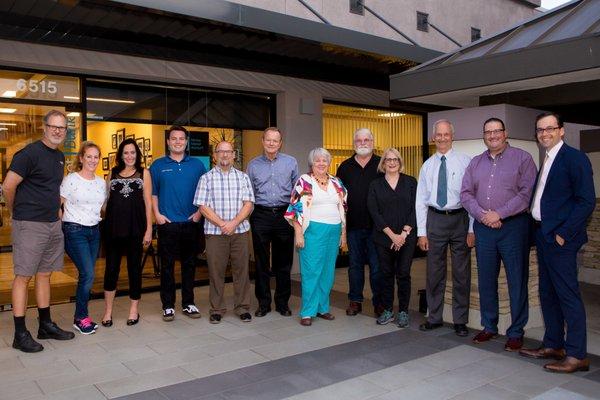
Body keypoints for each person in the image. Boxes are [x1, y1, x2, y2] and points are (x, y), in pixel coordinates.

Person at [519, 113, 595, 373]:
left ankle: (577, 354)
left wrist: (564, 233)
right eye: (540, 130)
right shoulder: (548, 159)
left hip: (561, 239)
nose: (545, 133)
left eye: (550, 128)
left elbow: (586, 201)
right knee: (547, 293)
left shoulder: (574, 158)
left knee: (567, 295)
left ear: (561, 131)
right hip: (543, 235)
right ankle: (553, 345)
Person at [461, 117, 537, 351]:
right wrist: (484, 215)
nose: (492, 135)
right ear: (484, 135)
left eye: (497, 131)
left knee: (517, 280)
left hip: (514, 227)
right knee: (486, 280)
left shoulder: (523, 159)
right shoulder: (475, 162)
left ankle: (516, 331)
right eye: (488, 132)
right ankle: (489, 326)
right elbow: (465, 194)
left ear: (505, 133)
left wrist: (499, 214)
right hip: (484, 229)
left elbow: (527, 194)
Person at [3, 109, 75, 352]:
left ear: (65, 132)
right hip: (29, 224)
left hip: (52, 224)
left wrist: (56, 209)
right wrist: (16, 211)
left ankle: (45, 325)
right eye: (53, 126)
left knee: (45, 274)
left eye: (62, 127)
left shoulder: (60, 156)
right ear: (44, 128)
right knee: (23, 276)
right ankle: (20, 333)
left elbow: (50, 188)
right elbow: (8, 186)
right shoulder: (29, 154)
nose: (57, 130)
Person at [416, 120, 474, 337]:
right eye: (438, 135)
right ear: (433, 138)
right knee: (434, 273)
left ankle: (460, 320)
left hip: (460, 219)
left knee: (461, 273)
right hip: (435, 220)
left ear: (452, 136)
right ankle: (434, 317)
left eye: (446, 134)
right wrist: (422, 232)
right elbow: (420, 200)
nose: (442, 138)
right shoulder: (427, 165)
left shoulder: (465, 162)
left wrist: (471, 229)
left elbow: (471, 198)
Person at [150, 126, 207, 321]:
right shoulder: (157, 165)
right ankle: (168, 305)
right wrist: (156, 214)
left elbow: (206, 192)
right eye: (173, 138)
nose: (177, 142)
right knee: (166, 266)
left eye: (181, 139)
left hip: (191, 222)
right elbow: (153, 193)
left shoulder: (198, 165)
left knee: (190, 265)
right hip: (168, 223)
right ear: (168, 142)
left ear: (186, 141)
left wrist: (200, 213)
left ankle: (188, 303)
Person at [285, 147, 347, 326]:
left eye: (324, 160)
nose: (321, 163)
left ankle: (322, 308)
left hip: (334, 230)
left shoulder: (337, 182)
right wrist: (299, 234)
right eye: (317, 160)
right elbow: (295, 209)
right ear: (312, 163)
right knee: (312, 271)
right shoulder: (304, 181)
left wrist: (343, 234)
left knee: (327, 272)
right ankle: (308, 311)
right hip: (312, 231)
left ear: (329, 163)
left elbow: (343, 209)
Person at [195, 141, 255, 324]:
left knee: (242, 271)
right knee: (216, 272)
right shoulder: (206, 178)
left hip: (240, 232)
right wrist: (223, 224)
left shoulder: (243, 177)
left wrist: (234, 223)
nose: (225, 155)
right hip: (215, 233)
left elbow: (249, 204)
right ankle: (217, 309)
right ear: (215, 155)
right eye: (221, 152)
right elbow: (202, 206)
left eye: (228, 152)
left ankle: (243, 307)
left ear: (234, 155)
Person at [247, 127, 298, 317]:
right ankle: (263, 303)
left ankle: (283, 303)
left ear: (280, 143)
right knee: (261, 262)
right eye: (268, 140)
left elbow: (296, 193)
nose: (271, 143)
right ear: (262, 141)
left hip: (285, 214)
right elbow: (249, 193)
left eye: (275, 140)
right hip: (261, 214)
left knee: (284, 262)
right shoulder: (253, 165)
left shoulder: (291, 162)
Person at [102, 138, 153, 327]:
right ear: (120, 155)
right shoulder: (112, 173)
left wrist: (149, 230)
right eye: (126, 153)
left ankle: (134, 310)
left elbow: (148, 202)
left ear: (137, 154)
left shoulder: (144, 173)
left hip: (136, 229)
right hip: (113, 229)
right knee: (111, 270)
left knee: (134, 270)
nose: (129, 156)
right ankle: (108, 311)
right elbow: (106, 202)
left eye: (132, 152)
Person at [367, 148, 417, 328]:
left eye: (395, 159)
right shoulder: (375, 185)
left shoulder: (411, 182)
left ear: (400, 162)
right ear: (383, 163)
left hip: (406, 237)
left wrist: (403, 234)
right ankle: (388, 309)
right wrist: (392, 235)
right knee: (385, 274)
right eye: (388, 159)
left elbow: (415, 208)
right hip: (383, 238)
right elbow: (374, 211)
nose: (392, 162)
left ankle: (403, 311)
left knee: (403, 274)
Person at [61, 141, 107, 334]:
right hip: (74, 230)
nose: (93, 160)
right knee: (88, 274)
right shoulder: (71, 179)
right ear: (81, 158)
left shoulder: (101, 182)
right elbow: (59, 205)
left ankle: (82, 316)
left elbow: (102, 208)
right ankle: (81, 318)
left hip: (94, 231)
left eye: (96, 156)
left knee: (87, 274)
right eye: (89, 156)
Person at [336, 127, 383, 317]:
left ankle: (379, 302)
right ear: (354, 143)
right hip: (353, 226)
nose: (363, 143)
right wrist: (342, 228)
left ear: (372, 142)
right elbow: (338, 198)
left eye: (366, 140)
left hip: (377, 227)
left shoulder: (382, 165)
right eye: (359, 140)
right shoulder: (345, 167)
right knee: (354, 266)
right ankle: (355, 301)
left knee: (376, 267)